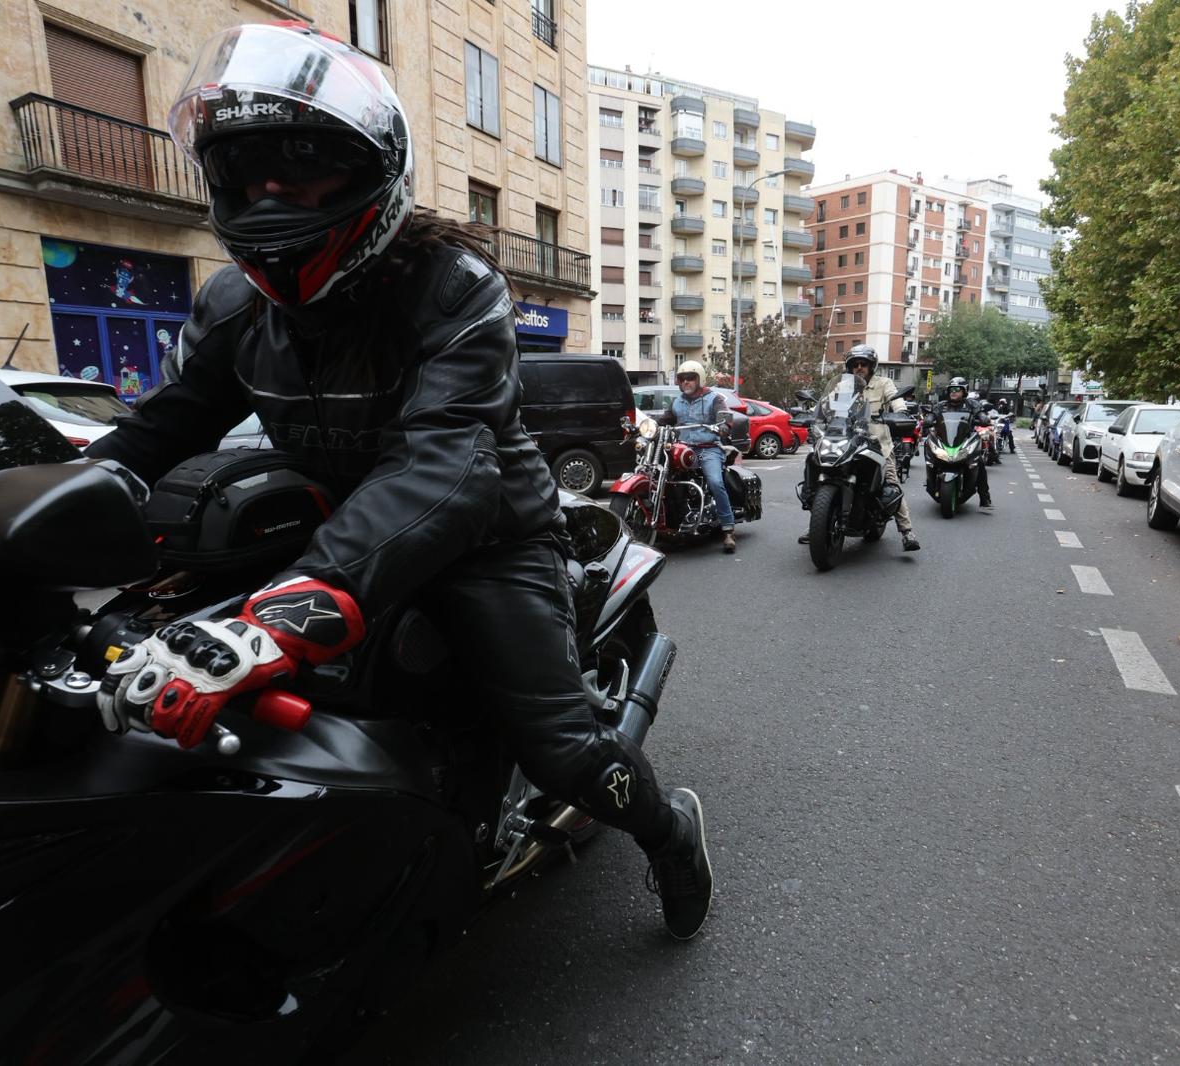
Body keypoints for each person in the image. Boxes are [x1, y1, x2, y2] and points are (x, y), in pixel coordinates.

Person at [85, 22, 712, 940]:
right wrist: (46, 502)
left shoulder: (452, 286)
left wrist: (275, 622)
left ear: (367, 173)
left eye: (299, 171)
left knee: (562, 744)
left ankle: (669, 836)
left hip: (486, 535)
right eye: (247, 174)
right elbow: (161, 424)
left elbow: (445, 468)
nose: (269, 197)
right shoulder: (232, 305)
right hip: (338, 530)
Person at [797, 345, 919, 550]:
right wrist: (810, 413)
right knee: (818, 467)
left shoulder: (884, 383)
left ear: (871, 366)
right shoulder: (844, 386)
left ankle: (906, 531)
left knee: (891, 482)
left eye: (863, 364)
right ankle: (817, 524)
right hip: (847, 439)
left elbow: (896, 400)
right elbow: (825, 404)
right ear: (850, 367)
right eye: (855, 364)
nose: (859, 368)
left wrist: (901, 413)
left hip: (876, 443)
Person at [662, 360, 739, 552]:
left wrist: (723, 427)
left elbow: (725, 418)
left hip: (708, 448)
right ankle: (670, 523)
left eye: (690, 378)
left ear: (699, 379)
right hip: (683, 449)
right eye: (682, 379)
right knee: (662, 478)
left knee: (714, 482)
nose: (685, 382)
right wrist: (647, 425)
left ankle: (728, 529)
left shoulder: (714, 399)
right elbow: (664, 420)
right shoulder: (677, 402)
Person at [934, 377, 994, 507]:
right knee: (931, 457)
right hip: (945, 441)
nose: (953, 392)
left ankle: (984, 496)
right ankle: (932, 482)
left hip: (965, 441)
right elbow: (932, 416)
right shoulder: (941, 405)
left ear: (964, 391)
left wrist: (983, 418)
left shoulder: (972, 404)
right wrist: (928, 419)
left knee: (980, 464)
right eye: (951, 390)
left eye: (957, 389)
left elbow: (981, 414)